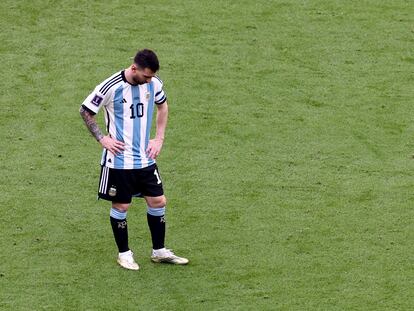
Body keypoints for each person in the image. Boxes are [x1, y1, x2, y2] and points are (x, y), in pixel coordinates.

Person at [79, 49, 188, 270]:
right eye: (146, 76)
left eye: (152, 76)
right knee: (122, 204)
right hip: (118, 160)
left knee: (158, 201)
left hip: (145, 159)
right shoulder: (110, 86)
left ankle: (159, 251)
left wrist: (158, 138)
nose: (150, 80)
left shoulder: (153, 83)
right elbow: (86, 111)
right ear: (134, 68)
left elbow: (163, 106)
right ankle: (124, 254)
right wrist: (102, 139)